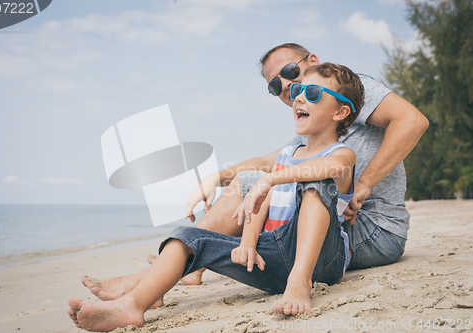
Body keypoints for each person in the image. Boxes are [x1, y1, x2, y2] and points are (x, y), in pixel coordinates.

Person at [79, 43, 428, 302]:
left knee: (310, 181)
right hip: (329, 221)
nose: (287, 87)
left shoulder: (345, 90)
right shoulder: (308, 122)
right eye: (276, 86)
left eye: (291, 73)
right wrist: (217, 176)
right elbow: (273, 160)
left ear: (312, 63)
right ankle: (172, 274)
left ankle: (154, 277)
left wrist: (364, 183)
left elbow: (413, 121)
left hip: (372, 226)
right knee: (252, 182)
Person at [68, 62, 365, 331]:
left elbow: (333, 167)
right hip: (272, 259)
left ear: (340, 112)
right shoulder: (288, 155)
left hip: (321, 263)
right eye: (299, 90)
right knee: (187, 236)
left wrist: (271, 178)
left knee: (315, 184)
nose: (299, 97)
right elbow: (259, 196)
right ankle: (133, 304)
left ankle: (299, 282)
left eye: (312, 93)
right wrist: (248, 240)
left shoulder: (342, 154)